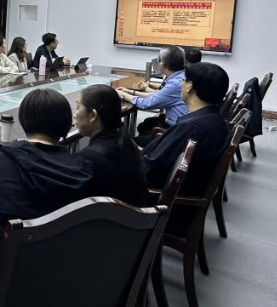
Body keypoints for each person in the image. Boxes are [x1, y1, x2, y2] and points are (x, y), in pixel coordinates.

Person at [0, 88, 93, 291]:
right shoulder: (82, 171)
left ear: (23, 121)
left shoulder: (0, 158)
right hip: (57, 280)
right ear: (65, 126)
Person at [141, 62, 231, 196]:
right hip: (188, 189)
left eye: (183, 80)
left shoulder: (190, 128)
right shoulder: (216, 121)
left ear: (189, 86)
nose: (181, 84)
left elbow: (151, 168)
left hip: (156, 196)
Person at [74, 84, 149, 206]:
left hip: (110, 217)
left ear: (93, 115)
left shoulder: (89, 158)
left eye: (78, 107)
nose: (74, 115)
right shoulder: (125, 140)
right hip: (136, 214)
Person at [118, 45, 188, 142]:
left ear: (162, 64)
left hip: (177, 132)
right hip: (180, 125)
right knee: (144, 126)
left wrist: (122, 95)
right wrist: (131, 92)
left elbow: (147, 104)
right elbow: (160, 95)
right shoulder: (180, 76)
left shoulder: (175, 83)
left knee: (130, 142)